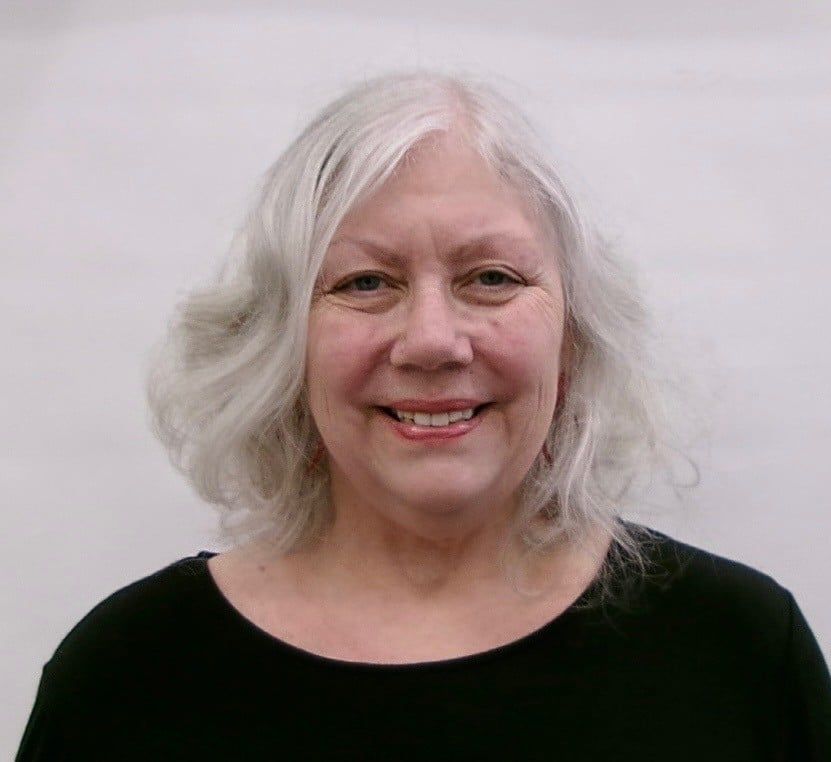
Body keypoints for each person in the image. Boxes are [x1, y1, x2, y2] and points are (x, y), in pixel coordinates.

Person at [16, 71, 831, 760]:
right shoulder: (128, 674)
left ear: (573, 336)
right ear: (277, 345)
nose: (432, 341)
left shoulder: (741, 651)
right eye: (366, 283)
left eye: (491, 279)